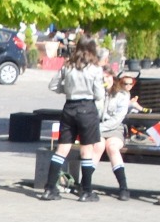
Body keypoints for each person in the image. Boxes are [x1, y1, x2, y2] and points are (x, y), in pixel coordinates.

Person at [37, 37, 107, 201]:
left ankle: (49, 188)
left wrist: (67, 89)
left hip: (69, 107)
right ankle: (86, 191)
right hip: (87, 108)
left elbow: (53, 85)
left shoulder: (68, 65)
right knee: (86, 150)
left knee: (62, 149)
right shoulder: (95, 68)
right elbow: (99, 94)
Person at [97, 70, 139, 201]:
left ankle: (123, 187)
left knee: (112, 147)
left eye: (107, 77)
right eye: (102, 77)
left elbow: (117, 119)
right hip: (97, 127)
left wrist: (97, 128)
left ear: (113, 77)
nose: (105, 80)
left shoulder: (122, 94)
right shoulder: (96, 92)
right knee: (97, 147)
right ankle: (85, 185)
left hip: (115, 128)